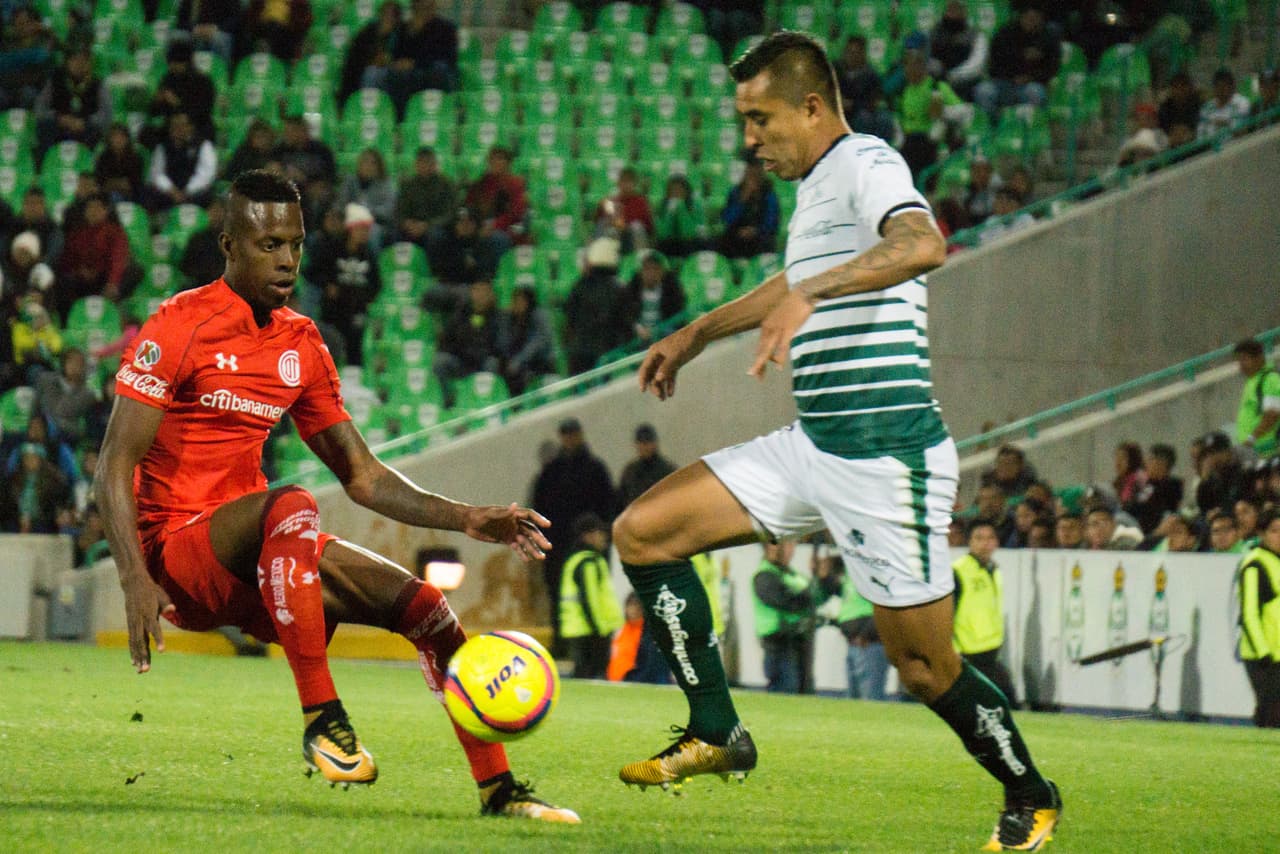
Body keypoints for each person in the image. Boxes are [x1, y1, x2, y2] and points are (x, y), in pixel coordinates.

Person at [610, 32, 1060, 849]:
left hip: (887, 459)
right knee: (643, 533)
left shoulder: (865, 162)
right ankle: (716, 731)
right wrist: (698, 332)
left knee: (925, 671)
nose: (750, 140)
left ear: (811, 106)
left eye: (760, 119)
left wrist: (813, 290)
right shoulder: (817, 190)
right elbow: (793, 282)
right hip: (813, 447)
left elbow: (923, 243)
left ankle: (1031, 792)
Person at [93, 169, 579, 822]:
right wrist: (131, 577)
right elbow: (112, 464)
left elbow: (365, 476)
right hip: (176, 553)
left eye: (294, 243)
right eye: (269, 245)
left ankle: (499, 791)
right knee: (292, 503)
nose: (288, 259)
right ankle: (324, 719)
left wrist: (469, 517)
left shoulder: (300, 342)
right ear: (229, 245)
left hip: (262, 555)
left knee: (428, 610)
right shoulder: (178, 326)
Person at [530, 417, 618, 656]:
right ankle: (563, 647)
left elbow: (608, 506)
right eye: (565, 434)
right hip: (556, 548)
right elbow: (538, 509)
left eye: (572, 434)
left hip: (587, 547)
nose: (569, 439)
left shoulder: (594, 470)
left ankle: (593, 646)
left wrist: (600, 537)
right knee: (559, 597)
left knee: (591, 595)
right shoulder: (551, 472)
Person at [304, 202, 381, 364]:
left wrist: (364, 297)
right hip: (333, 309)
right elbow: (310, 272)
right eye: (362, 229)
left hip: (357, 309)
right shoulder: (331, 249)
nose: (365, 234)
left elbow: (376, 284)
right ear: (351, 229)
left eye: (367, 230)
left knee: (357, 340)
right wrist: (327, 285)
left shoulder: (368, 254)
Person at [953, 520, 1018, 705]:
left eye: (990, 538)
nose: (985, 544)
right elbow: (947, 613)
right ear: (970, 542)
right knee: (1005, 701)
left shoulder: (993, 570)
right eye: (979, 538)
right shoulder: (959, 571)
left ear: (997, 542)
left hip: (989, 652)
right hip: (967, 654)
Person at [559, 512, 623, 680]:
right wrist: (599, 629)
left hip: (580, 627)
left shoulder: (577, 559)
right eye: (600, 533)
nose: (604, 538)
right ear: (589, 535)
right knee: (590, 675)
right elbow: (590, 598)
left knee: (583, 674)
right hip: (589, 629)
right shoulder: (588, 562)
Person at [364, 0, 459, 112]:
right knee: (373, 73)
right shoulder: (403, 28)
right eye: (420, 4)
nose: (424, 6)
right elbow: (396, 55)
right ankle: (381, 115)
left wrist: (415, 63)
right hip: (405, 74)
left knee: (439, 69)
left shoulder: (446, 28)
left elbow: (448, 57)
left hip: (430, 72)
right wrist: (395, 62)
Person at [974, 2, 1060, 119]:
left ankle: (1027, 130)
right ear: (1021, 17)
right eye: (1028, 18)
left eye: (1035, 19)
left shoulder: (1048, 38)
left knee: (1035, 93)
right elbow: (994, 65)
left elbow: (1052, 68)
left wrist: (1031, 77)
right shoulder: (1004, 34)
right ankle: (991, 127)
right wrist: (1011, 75)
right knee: (983, 91)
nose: (1032, 22)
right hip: (1003, 82)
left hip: (1030, 85)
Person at [1236, 508, 1280, 728]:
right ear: (1262, 533)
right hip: (1264, 655)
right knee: (1272, 712)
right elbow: (1249, 613)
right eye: (1275, 531)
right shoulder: (1255, 564)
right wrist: (1263, 652)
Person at [751, 540, 813, 694]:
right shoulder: (764, 575)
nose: (790, 550)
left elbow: (814, 596)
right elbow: (785, 601)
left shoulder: (792, 574)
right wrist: (805, 599)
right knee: (784, 687)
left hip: (797, 640)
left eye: (792, 545)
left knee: (800, 688)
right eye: (787, 545)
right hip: (777, 641)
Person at [563, 237, 629, 374]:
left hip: (579, 350)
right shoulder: (619, 288)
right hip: (606, 351)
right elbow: (625, 321)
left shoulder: (580, 285)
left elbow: (569, 313)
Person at [433, 279, 501, 408]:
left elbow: (499, 345)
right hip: (462, 362)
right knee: (440, 361)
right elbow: (446, 340)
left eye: (484, 291)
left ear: (491, 294)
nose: (480, 295)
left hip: (482, 362)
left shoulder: (498, 317)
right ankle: (448, 402)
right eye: (476, 290)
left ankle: (485, 402)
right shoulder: (460, 313)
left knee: (492, 363)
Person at [34, 44, 110, 153]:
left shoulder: (98, 84)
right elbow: (39, 109)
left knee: (95, 132)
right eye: (74, 60)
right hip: (59, 127)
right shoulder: (55, 81)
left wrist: (85, 122)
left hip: (85, 130)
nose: (79, 64)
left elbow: (105, 115)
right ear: (67, 62)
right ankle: (48, 165)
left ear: (90, 63)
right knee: (45, 127)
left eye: (84, 60)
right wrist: (59, 118)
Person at [144, 39, 216, 147]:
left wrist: (178, 104)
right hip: (172, 127)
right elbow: (154, 112)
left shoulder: (202, 81)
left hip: (196, 127)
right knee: (146, 133)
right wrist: (157, 101)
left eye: (175, 63)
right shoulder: (168, 79)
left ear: (185, 63)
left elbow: (203, 112)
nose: (172, 67)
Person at [143, 112, 218, 213]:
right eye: (173, 125)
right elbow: (157, 173)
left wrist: (187, 191)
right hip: (169, 193)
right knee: (148, 193)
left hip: (193, 193)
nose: (176, 128)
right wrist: (172, 191)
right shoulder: (163, 147)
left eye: (181, 125)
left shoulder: (203, 145)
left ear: (190, 127)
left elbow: (206, 175)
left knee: (206, 197)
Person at [495, 285, 554, 397]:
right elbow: (503, 344)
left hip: (541, 361)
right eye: (515, 301)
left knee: (520, 373)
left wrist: (518, 361)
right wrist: (504, 319)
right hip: (519, 362)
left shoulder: (539, 316)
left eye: (520, 301)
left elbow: (537, 344)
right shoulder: (511, 319)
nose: (516, 304)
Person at [620, 250, 686, 346]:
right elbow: (625, 314)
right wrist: (637, 328)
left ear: (662, 271)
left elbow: (677, 315)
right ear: (641, 271)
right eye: (647, 269)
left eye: (655, 269)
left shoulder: (672, 288)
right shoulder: (631, 288)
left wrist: (657, 330)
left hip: (663, 332)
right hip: (638, 334)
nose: (651, 273)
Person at [35, 347, 98, 447]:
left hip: (68, 434)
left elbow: (69, 414)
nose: (74, 366)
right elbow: (36, 406)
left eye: (78, 363)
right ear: (63, 363)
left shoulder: (87, 394)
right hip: (42, 428)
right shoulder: (46, 381)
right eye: (71, 361)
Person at [717, 157, 779, 259]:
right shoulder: (736, 192)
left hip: (759, 237)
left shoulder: (769, 195)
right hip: (737, 235)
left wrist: (755, 231)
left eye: (755, 176)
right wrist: (742, 201)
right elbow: (727, 220)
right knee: (723, 240)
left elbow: (771, 223)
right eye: (750, 176)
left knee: (765, 242)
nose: (752, 180)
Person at [464, 146, 527, 246]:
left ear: (508, 163)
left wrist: (493, 225)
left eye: (500, 158)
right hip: (482, 224)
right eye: (491, 159)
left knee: (495, 239)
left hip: (510, 227)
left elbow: (515, 214)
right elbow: (468, 205)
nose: (495, 162)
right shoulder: (482, 182)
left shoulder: (516, 183)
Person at [395, 146, 457, 246]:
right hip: (412, 226)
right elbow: (400, 211)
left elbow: (450, 213)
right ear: (416, 164)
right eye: (422, 162)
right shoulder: (408, 185)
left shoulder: (446, 184)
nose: (425, 165)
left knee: (435, 237)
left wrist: (427, 225)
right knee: (395, 236)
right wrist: (407, 223)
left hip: (435, 226)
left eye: (429, 162)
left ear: (435, 164)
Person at [931, 0, 989, 101]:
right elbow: (926, 56)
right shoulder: (934, 33)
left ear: (964, 11)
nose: (953, 12)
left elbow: (977, 65)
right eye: (950, 8)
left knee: (984, 92)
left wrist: (954, 76)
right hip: (937, 82)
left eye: (957, 8)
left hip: (967, 84)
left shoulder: (976, 35)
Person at [607, 592, 670, 684]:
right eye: (630, 605)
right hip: (615, 680)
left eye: (637, 606)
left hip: (634, 680)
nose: (633, 610)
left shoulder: (647, 633)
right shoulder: (622, 629)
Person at [1232, 338, 1280, 458]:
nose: (1241, 365)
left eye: (1244, 359)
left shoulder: (1269, 380)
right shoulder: (1253, 381)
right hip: (1257, 452)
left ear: (1259, 358)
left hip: (1268, 452)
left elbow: (1272, 415)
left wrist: (1250, 440)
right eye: (1239, 361)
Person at [593, 166, 653, 252]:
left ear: (635, 184)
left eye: (629, 182)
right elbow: (599, 219)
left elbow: (648, 226)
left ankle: (639, 258)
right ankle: (598, 259)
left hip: (633, 235)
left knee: (637, 227)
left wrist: (624, 225)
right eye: (623, 181)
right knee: (603, 224)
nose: (626, 185)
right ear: (618, 183)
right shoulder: (611, 201)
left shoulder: (641, 201)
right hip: (616, 234)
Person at [1126, 443, 1183, 534]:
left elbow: (1154, 510)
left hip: (1155, 529)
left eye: (1150, 459)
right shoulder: (1149, 484)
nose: (1146, 464)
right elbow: (1134, 505)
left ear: (1161, 463)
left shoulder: (1172, 486)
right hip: (1138, 525)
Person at [618, 423, 677, 508]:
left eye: (648, 442)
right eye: (641, 443)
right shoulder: (630, 472)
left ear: (655, 444)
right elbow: (621, 500)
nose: (644, 447)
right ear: (636, 445)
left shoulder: (667, 471)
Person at [653, 174, 708, 259]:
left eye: (679, 189)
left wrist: (682, 209)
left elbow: (690, 233)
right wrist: (670, 213)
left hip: (691, 242)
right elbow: (662, 233)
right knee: (661, 245)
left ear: (687, 191)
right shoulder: (663, 205)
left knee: (690, 244)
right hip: (670, 241)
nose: (676, 193)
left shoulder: (696, 205)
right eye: (673, 190)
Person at [94, 123, 146, 203]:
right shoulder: (103, 158)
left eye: (121, 136)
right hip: (109, 195)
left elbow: (135, 182)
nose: (118, 139)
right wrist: (119, 183)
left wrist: (115, 183)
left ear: (127, 139)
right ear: (109, 139)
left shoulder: (136, 158)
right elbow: (101, 181)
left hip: (133, 194)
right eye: (114, 136)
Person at [1198, 68, 1251, 139]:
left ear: (1232, 86)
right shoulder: (1207, 107)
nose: (1221, 90)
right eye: (1218, 86)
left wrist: (1225, 124)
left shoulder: (1241, 103)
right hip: (1211, 147)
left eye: (1224, 85)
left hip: (1236, 145)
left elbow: (1242, 131)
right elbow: (1201, 135)